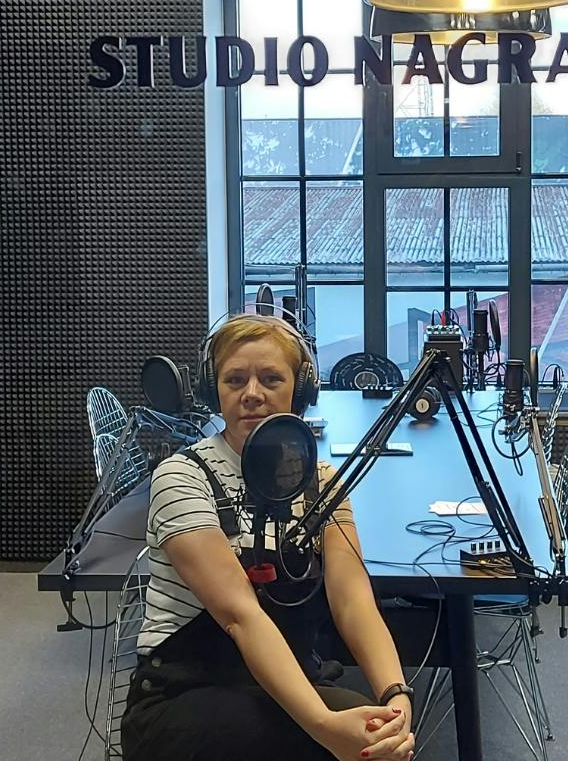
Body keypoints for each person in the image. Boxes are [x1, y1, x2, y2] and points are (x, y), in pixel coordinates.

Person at [123, 314, 418, 761]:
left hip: (279, 685)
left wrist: (396, 696)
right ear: (213, 391)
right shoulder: (181, 477)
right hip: (184, 695)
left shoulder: (320, 481)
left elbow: (352, 601)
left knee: (380, 733)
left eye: (271, 379)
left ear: (299, 391)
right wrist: (324, 727)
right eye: (235, 380)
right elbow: (241, 616)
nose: (252, 394)